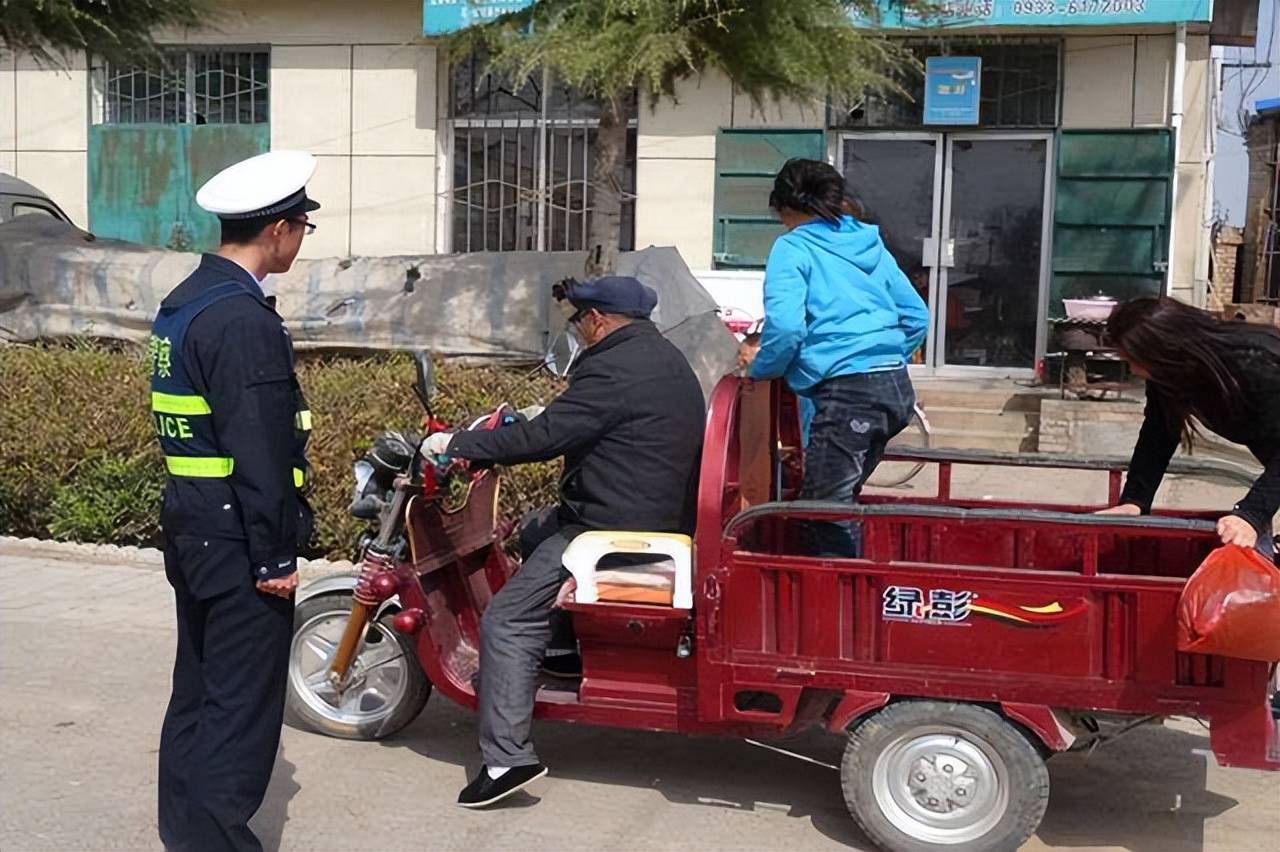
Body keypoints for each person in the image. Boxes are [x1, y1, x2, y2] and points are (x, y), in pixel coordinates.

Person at [422, 276, 705, 809]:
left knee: (505, 621)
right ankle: (559, 646)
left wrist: (457, 443)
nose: (574, 330)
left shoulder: (611, 369)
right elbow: (581, 423)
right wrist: (535, 421)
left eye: (577, 320)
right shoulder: (658, 356)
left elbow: (543, 440)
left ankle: (507, 759)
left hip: (616, 527)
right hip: (651, 507)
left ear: (597, 320)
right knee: (531, 528)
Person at [153, 150, 318, 852]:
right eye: (302, 226)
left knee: (196, 693)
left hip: (194, 531)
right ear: (278, 230)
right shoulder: (242, 320)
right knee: (239, 711)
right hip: (241, 545)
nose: (304, 238)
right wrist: (277, 555)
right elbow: (257, 449)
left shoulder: (188, 300)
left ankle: (184, 833)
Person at [739, 158, 928, 557]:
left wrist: (762, 369)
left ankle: (837, 607)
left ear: (783, 206)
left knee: (823, 510)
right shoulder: (867, 241)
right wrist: (882, 353)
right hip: (894, 390)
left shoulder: (792, 247)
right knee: (837, 495)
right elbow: (916, 316)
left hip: (848, 395)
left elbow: (787, 329)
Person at [1098, 297, 1279, 563]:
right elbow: (1158, 434)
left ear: (1163, 349)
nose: (1134, 371)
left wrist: (1251, 515)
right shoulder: (1169, 374)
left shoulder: (1257, 364)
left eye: (1134, 360)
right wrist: (1135, 501)